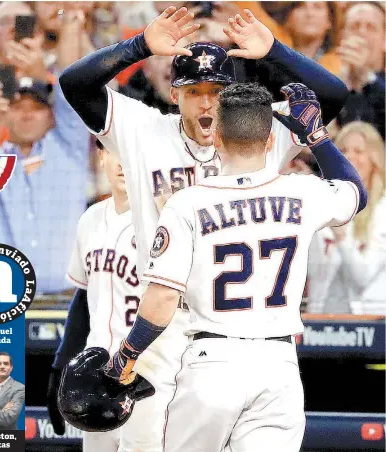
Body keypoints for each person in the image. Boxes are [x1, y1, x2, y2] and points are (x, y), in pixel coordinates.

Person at [57, 3, 347, 439]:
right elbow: (74, 85)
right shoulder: (144, 129)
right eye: (194, 91)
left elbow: (333, 96)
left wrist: (273, 50)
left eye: (216, 91)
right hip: (160, 320)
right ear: (175, 94)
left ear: (231, 95)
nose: (206, 102)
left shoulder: (256, 131)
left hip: (232, 325)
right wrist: (139, 46)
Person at [106, 82, 367, 452]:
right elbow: (356, 191)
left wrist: (126, 357)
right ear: (267, 141)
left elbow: (162, 298)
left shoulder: (187, 203)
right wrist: (316, 136)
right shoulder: (303, 192)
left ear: (217, 138)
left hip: (213, 362)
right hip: (278, 365)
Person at [47, 142, 171, 451]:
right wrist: (60, 365)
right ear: (101, 157)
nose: (123, 162)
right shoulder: (90, 219)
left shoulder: (168, 219)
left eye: (132, 152)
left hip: (151, 377)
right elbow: (85, 298)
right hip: (96, 378)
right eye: (114, 151)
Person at [0, 77, 90, 294]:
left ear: (51, 116)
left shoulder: (69, 151)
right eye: (17, 107)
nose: (27, 115)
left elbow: (71, 92)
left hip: (67, 301)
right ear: (6, 114)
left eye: (37, 108)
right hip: (4, 302)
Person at [307, 121, 385, 314]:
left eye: (358, 151)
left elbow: (363, 276)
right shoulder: (322, 203)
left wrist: (341, 235)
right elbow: (311, 271)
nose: (349, 157)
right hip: (321, 321)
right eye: (342, 150)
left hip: (370, 325)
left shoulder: (382, 210)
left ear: (374, 159)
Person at [336, 2, 385, 139]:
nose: (362, 33)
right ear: (342, 38)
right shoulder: (327, 85)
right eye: (354, 26)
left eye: (371, 27)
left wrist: (365, 77)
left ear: (384, 40)